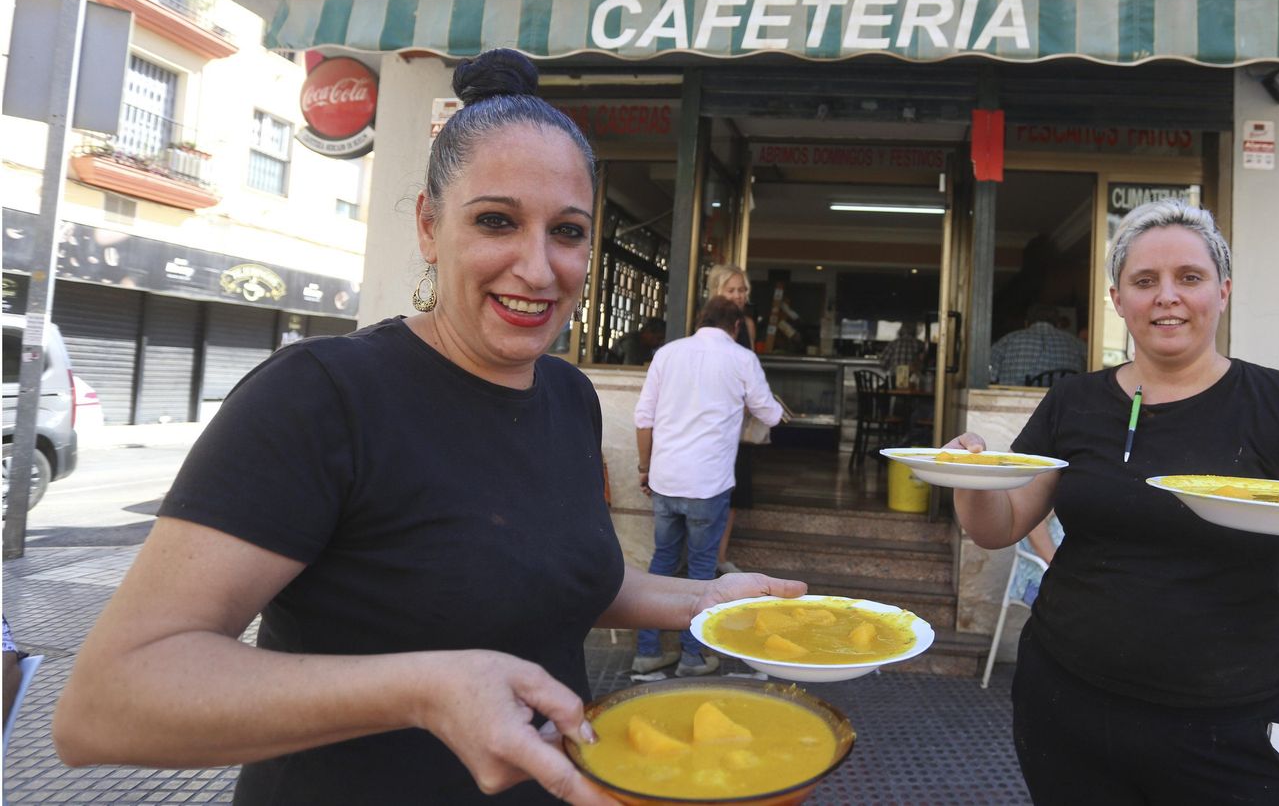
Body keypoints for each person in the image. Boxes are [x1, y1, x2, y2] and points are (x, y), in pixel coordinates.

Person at [51, 49, 804, 806]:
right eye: (496, 221)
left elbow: (559, 577)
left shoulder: (570, 397)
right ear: (427, 225)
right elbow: (106, 705)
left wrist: (708, 603)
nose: (538, 269)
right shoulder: (322, 396)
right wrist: (422, 690)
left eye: (568, 232)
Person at [945, 198, 1279, 804]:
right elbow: (1002, 524)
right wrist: (969, 476)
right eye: (1145, 281)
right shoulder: (1074, 402)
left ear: (1222, 291)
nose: (1166, 295)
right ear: (1118, 300)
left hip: (1237, 720)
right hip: (1066, 702)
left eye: (1189, 278)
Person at [633, 296, 784, 676]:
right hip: (708, 485)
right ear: (734, 327)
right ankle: (692, 657)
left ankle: (647, 652)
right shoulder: (741, 358)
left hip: (665, 479)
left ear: (701, 320)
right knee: (701, 572)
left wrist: (645, 467)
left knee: (661, 566)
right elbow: (770, 413)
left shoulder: (667, 353)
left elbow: (643, 417)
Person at [705, 264, 760, 572]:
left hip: (741, 420)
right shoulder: (705, 328)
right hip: (714, 420)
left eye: (742, 290)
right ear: (716, 292)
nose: (738, 296)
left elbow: (753, 369)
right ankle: (706, 557)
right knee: (712, 490)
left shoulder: (747, 326)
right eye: (731, 290)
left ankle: (720, 557)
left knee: (736, 491)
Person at [989, 302, 1087, 386]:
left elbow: (988, 376)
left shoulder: (1008, 341)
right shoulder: (1076, 344)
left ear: (1026, 323)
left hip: (1015, 403)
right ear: (1058, 324)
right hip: (1063, 405)